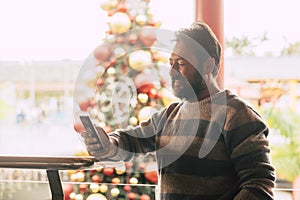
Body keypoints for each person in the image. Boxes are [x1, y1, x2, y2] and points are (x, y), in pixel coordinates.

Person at [78, 21, 276, 200]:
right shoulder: (168, 116)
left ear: (208, 65)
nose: (172, 71)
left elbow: (259, 186)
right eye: (171, 63)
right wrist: (108, 144)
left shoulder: (237, 115)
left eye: (180, 64)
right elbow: (130, 141)